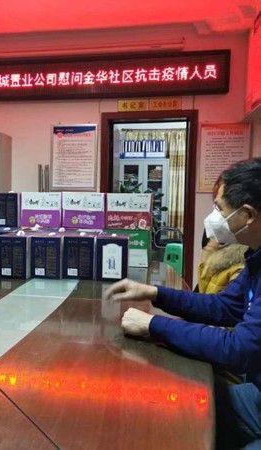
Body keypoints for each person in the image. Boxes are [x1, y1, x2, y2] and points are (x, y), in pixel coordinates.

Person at [105, 158, 261, 449]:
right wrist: (154, 293)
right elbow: (223, 307)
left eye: (220, 208)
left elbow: (238, 348)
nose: (214, 217)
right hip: (256, 394)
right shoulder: (256, 258)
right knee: (178, 405)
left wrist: (153, 325)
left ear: (248, 214)